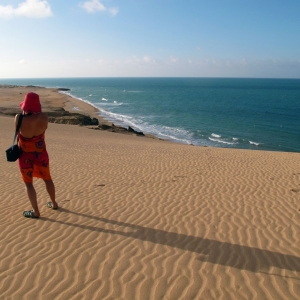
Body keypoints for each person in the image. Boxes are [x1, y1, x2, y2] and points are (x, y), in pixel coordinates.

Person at [15, 92, 57, 218]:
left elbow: (17, 132)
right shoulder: (44, 117)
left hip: (25, 157)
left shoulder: (19, 118)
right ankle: (54, 203)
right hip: (41, 155)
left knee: (28, 184)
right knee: (48, 179)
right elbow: (44, 128)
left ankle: (36, 211)